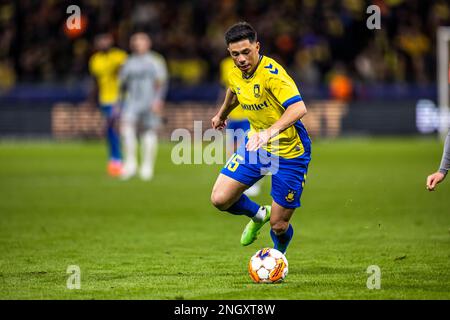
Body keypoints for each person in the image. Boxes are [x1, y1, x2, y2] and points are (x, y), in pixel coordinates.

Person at [210, 22, 311, 254]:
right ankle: (258, 214)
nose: (242, 59)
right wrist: (222, 114)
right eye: (235, 54)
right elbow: (234, 90)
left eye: (246, 52)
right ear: (229, 53)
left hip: (290, 151)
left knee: (279, 226)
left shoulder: (273, 75)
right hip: (257, 145)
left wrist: (268, 132)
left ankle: (278, 255)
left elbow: (298, 108)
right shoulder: (235, 72)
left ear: (257, 46)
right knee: (220, 199)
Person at [119, 32, 168, 181]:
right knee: (126, 129)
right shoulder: (128, 61)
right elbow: (122, 84)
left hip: (150, 102)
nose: (137, 44)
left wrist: (158, 100)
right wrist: (119, 102)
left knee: (149, 131)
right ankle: (130, 164)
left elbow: (161, 81)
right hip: (132, 102)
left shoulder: (155, 60)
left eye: (141, 41)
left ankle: (147, 167)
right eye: (135, 41)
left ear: (148, 43)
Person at [219, 56, 262, 196]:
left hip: (247, 114)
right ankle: (235, 182)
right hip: (233, 116)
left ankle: (254, 182)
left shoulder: (251, 64)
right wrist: (222, 112)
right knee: (231, 149)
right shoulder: (225, 64)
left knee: (249, 148)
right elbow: (227, 89)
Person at [89, 33, 128, 177]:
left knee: (116, 128)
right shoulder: (95, 60)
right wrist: (92, 101)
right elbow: (96, 82)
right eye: (100, 40)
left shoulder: (119, 56)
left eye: (105, 40)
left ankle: (120, 159)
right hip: (104, 99)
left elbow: (126, 78)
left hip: (119, 99)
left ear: (111, 41)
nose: (102, 43)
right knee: (111, 130)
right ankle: (115, 159)